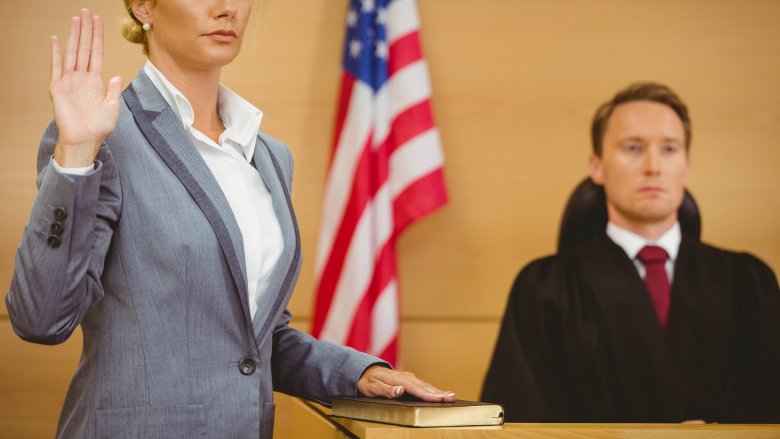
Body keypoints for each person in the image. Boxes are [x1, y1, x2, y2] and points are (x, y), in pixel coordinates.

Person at [5, 2, 454, 438]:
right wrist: (78, 154)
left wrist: (357, 372)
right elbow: (41, 319)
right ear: (143, 6)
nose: (227, 9)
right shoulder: (101, 136)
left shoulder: (271, 156)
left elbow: (249, 341)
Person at [481, 82, 780, 423]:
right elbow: (519, 421)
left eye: (669, 149)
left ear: (687, 166)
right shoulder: (543, 288)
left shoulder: (750, 283)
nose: (653, 166)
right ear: (597, 166)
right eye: (634, 148)